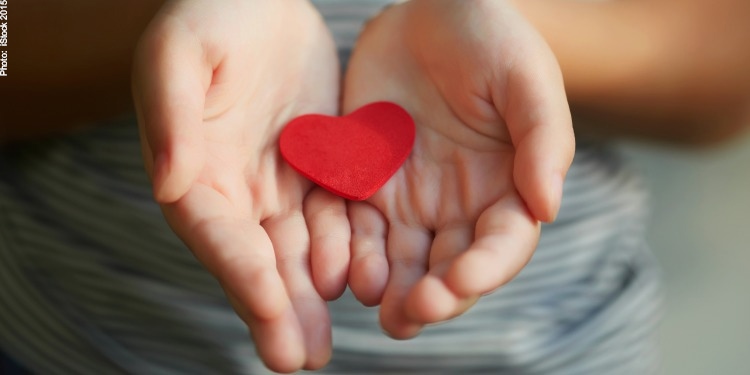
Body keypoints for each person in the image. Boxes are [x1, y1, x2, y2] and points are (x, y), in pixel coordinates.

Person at [0, 0, 747, 374]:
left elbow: (728, 62)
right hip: (82, 342)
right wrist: (159, 23)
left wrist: (515, 27)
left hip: (557, 347)